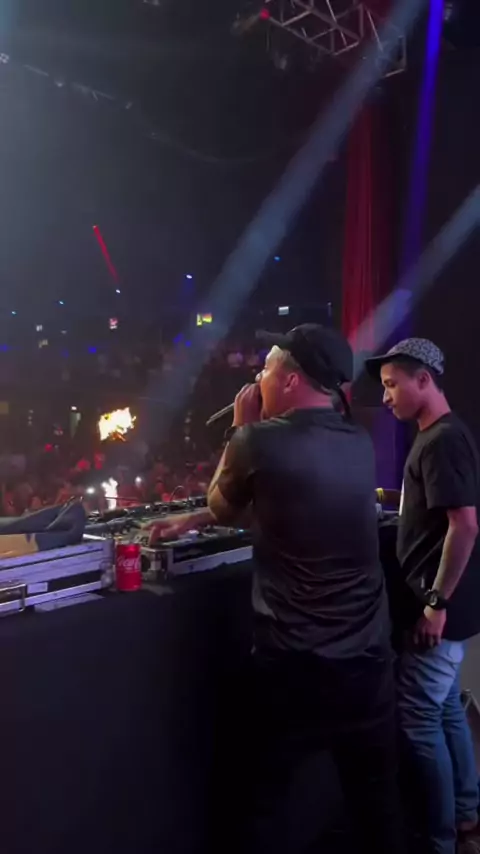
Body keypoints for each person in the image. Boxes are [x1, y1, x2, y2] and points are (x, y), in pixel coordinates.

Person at [148, 324, 404, 854]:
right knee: (375, 805)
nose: (257, 378)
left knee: (261, 806)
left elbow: (226, 505)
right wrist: (191, 520)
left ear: (290, 380)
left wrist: (239, 427)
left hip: (296, 664)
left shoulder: (257, 439)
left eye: (265, 367)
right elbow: (286, 498)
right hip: (368, 661)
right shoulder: (356, 441)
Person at [366, 338, 480, 854]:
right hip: (449, 610)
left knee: (417, 720)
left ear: (424, 380)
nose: (385, 396)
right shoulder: (441, 436)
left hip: (440, 611)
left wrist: (435, 603)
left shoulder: (441, 441)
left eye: (392, 385)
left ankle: (439, 841)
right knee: (448, 709)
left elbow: (465, 525)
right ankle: (465, 815)